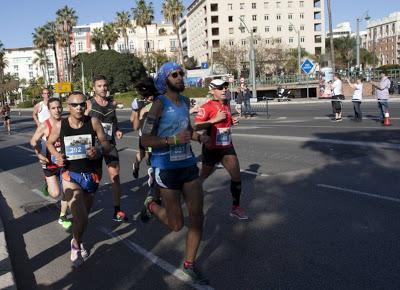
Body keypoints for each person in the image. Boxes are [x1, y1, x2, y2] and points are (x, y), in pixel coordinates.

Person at [140, 62, 210, 285]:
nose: (180, 77)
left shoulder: (185, 102)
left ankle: (189, 264)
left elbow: (186, 130)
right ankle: (151, 205)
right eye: (175, 74)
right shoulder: (159, 104)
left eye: (182, 73)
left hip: (187, 164)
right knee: (176, 224)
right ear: (164, 79)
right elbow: (144, 139)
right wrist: (171, 140)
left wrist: (199, 137)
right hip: (166, 168)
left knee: (198, 216)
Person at [47, 91, 111, 268]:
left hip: (91, 175)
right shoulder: (61, 125)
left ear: (86, 105)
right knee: (80, 215)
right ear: (69, 107)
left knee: (83, 218)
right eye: (75, 105)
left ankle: (77, 240)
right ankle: (75, 248)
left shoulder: (93, 122)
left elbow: (106, 143)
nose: (79, 108)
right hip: (70, 175)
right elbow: (49, 143)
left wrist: (97, 150)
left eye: (82, 104)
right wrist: (57, 156)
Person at [194, 79, 248, 220]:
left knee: (236, 176)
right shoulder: (207, 107)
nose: (224, 90)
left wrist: (232, 121)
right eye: (220, 88)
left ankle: (235, 207)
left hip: (227, 147)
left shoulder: (227, 104)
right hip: (211, 148)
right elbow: (196, 126)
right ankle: (190, 194)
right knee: (203, 177)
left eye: (225, 87)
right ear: (212, 91)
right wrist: (214, 120)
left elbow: (225, 122)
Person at [85, 75, 126, 222]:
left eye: (105, 85)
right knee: (96, 179)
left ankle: (117, 210)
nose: (103, 88)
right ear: (94, 88)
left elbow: (113, 120)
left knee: (115, 176)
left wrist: (117, 130)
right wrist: (85, 113)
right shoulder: (89, 104)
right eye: (100, 86)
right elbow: (82, 122)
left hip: (110, 144)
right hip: (95, 146)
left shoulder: (111, 103)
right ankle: (86, 209)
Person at [30, 98, 72, 229]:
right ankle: (47, 184)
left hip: (65, 162)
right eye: (53, 108)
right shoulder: (44, 125)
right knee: (54, 194)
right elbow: (33, 141)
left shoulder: (67, 122)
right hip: (49, 163)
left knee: (67, 190)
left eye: (59, 107)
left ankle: (62, 215)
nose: (57, 110)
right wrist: (39, 154)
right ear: (49, 110)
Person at [131, 77, 157, 178]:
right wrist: (137, 112)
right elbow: (134, 124)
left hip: (156, 135)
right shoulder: (138, 103)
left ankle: (152, 172)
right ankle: (137, 165)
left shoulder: (158, 100)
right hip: (144, 135)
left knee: (149, 155)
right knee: (144, 154)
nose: (150, 97)